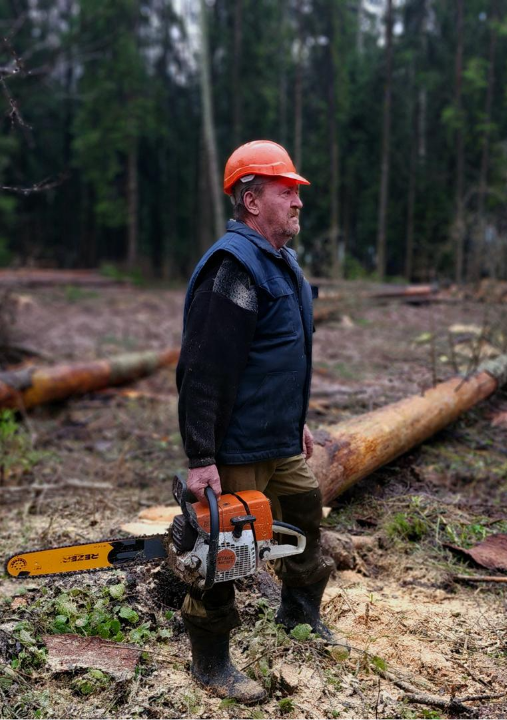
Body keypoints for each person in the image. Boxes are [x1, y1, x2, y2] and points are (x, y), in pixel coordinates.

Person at [176, 140, 337, 703]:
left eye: (296, 191)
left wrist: (296, 421)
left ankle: (299, 614)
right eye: (284, 190)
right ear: (250, 198)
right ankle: (211, 661)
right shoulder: (233, 269)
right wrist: (202, 458)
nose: (297, 201)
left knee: (306, 519)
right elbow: (202, 372)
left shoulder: (282, 262)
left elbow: (282, 358)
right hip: (238, 448)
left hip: (280, 440)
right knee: (226, 555)